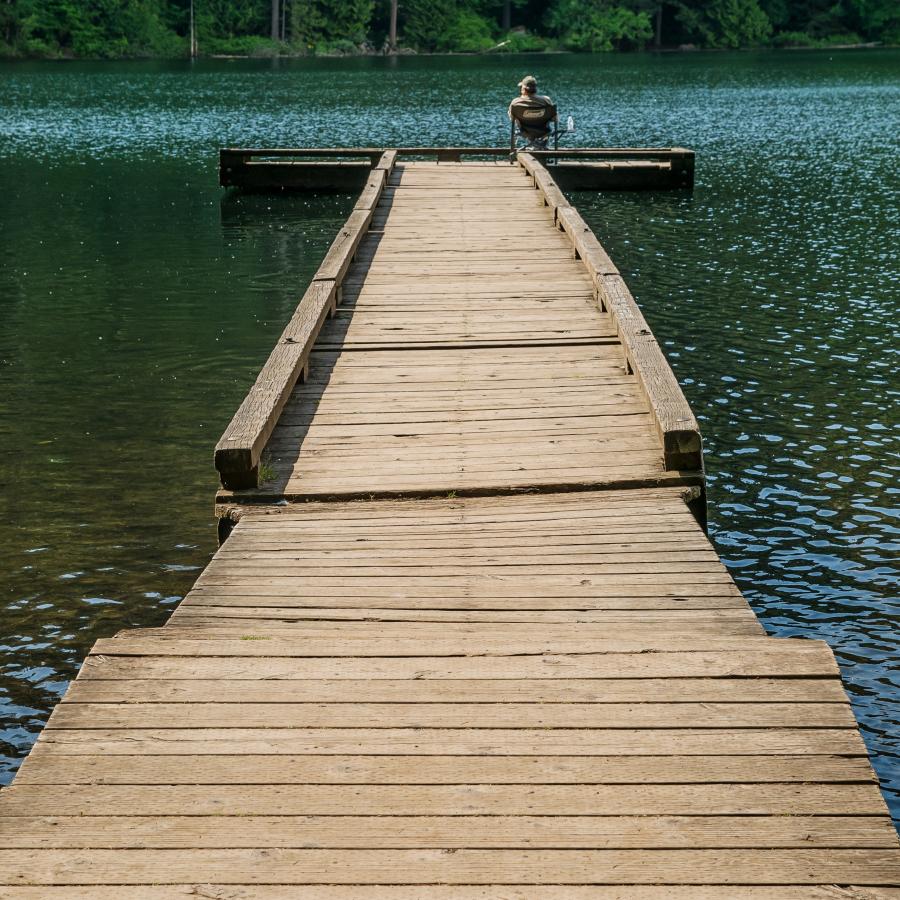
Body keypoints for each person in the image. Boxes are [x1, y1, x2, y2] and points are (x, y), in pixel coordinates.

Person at [508, 75, 556, 146]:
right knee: (547, 122)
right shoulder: (546, 100)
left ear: (524, 89)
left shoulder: (516, 103)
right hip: (544, 131)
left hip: (525, 132)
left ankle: (533, 144)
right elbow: (555, 119)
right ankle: (541, 144)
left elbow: (512, 119)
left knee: (515, 118)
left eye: (521, 87)